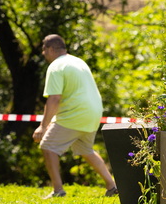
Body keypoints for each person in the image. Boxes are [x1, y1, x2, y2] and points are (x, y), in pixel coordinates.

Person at [33, 34, 118, 199]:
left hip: (75, 114)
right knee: (86, 150)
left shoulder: (56, 66)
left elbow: (55, 98)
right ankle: (112, 185)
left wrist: (43, 126)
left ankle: (58, 191)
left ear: (50, 49)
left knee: (48, 147)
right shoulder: (78, 62)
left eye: (44, 50)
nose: (43, 54)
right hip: (93, 113)